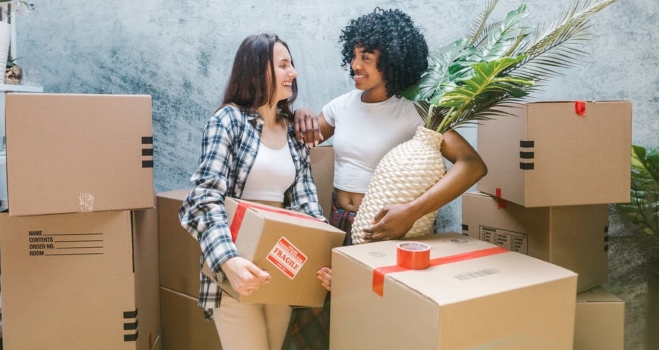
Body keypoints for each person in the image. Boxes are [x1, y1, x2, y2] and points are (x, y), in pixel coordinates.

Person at [289, 8, 488, 349]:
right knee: (319, 323)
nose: (355, 65)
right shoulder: (342, 105)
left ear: (394, 60)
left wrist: (411, 211)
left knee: (374, 327)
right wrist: (300, 113)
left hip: (386, 232)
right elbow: (297, 140)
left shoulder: (416, 110)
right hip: (338, 224)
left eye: (366, 57)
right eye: (353, 55)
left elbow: (471, 165)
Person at [178, 33, 326, 350]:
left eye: (292, 64)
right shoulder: (228, 121)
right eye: (283, 65)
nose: (294, 72)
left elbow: (307, 206)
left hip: (281, 270)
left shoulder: (294, 131)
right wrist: (229, 263)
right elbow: (204, 200)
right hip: (235, 270)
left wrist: (322, 259)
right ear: (259, 71)